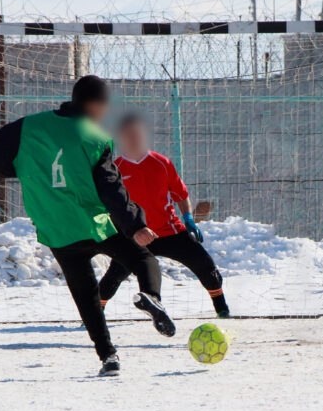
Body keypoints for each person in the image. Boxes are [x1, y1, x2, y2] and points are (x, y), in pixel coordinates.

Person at [0, 75, 175, 377]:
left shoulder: (29, 127)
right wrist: (135, 225)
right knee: (143, 258)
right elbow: (111, 189)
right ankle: (151, 296)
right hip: (95, 224)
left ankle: (108, 356)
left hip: (56, 229)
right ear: (96, 105)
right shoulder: (96, 138)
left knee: (86, 296)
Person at [98, 114, 229, 318]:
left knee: (205, 265)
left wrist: (188, 219)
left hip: (169, 231)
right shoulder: (116, 168)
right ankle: (95, 315)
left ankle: (222, 310)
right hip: (135, 235)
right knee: (114, 276)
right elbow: (108, 204)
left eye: (138, 134)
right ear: (121, 138)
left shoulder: (161, 163)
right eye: (129, 135)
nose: (134, 138)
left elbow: (181, 195)